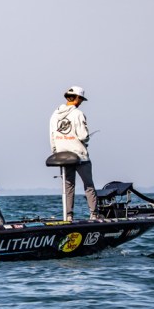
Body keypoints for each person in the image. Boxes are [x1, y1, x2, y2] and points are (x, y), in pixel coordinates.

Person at [49, 86, 97, 220]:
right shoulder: (78, 114)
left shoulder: (54, 114)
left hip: (62, 156)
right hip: (79, 155)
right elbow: (83, 136)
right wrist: (86, 139)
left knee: (68, 186)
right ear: (77, 98)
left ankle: (68, 216)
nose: (81, 102)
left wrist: (56, 152)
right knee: (88, 185)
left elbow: (52, 136)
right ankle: (94, 214)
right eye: (81, 99)